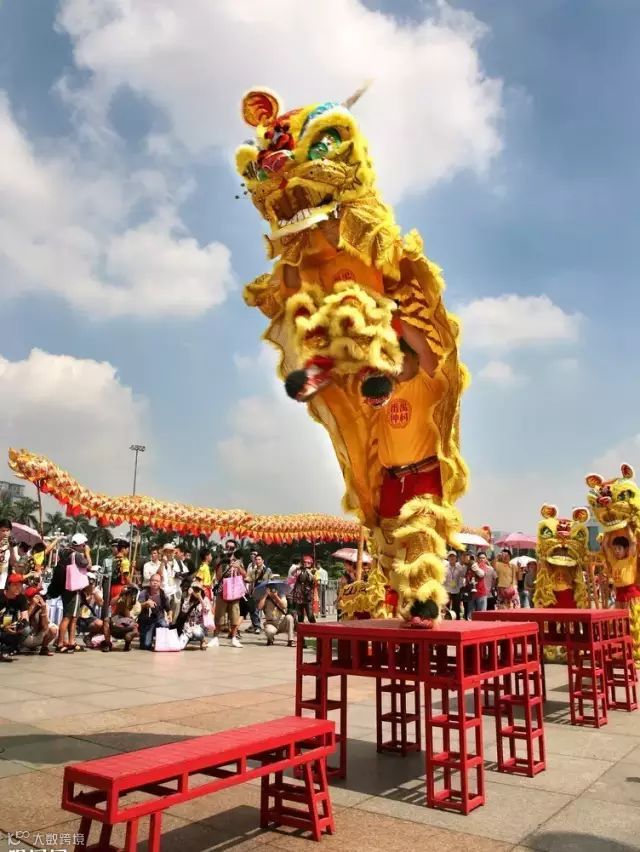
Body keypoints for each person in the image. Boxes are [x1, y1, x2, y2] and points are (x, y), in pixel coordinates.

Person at [48, 533, 92, 653]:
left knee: (73, 617)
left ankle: (71, 641)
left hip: (65, 588)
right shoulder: (76, 555)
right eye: (84, 545)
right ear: (80, 545)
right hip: (73, 589)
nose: (84, 547)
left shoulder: (65, 552)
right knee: (68, 617)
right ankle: (60, 643)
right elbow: (88, 565)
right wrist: (87, 553)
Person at [211, 554, 247, 648]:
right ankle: (215, 638)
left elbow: (245, 575)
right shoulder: (221, 563)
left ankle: (234, 638)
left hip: (235, 593)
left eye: (231, 548)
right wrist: (225, 567)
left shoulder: (238, 563)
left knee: (235, 616)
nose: (230, 549)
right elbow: (218, 577)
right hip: (222, 593)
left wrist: (238, 567)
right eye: (228, 547)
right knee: (219, 616)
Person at [0, 573, 31, 660]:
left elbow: (25, 618)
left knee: (26, 629)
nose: (18, 588)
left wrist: (19, 627)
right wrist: (3, 627)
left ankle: (8, 649)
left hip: (11, 626)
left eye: (20, 585)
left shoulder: (21, 598)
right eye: (15, 585)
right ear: (8, 585)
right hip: (2, 626)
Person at [138, 573, 171, 651]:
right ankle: (148, 636)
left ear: (160, 583)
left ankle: (160, 642)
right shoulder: (144, 593)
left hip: (159, 619)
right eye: (153, 580)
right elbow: (137, 606)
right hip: (147, 622)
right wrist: (146, 604)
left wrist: (169, 616)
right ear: (150, 582)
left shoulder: (163, 594)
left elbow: (169, 609)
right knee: (146, 646)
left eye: (157, 581)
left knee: (165, 625)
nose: (155, 582)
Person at [103, 585, 139, 651]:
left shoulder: (137, 605)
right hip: (117, 623)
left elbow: (129, 619)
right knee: (106, 620)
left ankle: (127, 645)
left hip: (128, 626)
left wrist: (126, 605)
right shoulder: (120, 599)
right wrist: (120, 594)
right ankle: (107, 644)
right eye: (129, 590)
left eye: (132, 592)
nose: (130, 593)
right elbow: (111, 603)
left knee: (133, 629)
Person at [259, 581, 295, 646]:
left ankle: (290, 640)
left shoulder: (281, 595)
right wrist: (265, 595)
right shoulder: (265, 598)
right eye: (270, 590)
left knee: (289, 618)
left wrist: (276, 597)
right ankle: (270, 638)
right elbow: (259, 607)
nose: (272, 591)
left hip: (282, 622)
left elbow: (284, 606)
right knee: (269, 632)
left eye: (273, 589)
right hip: (271, 623)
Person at [177, 581, 210, 650]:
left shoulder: (204, 599)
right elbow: (184, 610)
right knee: (179, 646)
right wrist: (189, 596)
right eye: (194, 589)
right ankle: (188, 639)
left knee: (197, 633)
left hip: (199, 627)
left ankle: (202, 640)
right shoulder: (188, 600)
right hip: (187, 628)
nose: (196, 591)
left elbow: (206, 610)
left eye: (198, 589)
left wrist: (200, 598)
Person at [246, 553, 271, 634]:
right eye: (256, 559)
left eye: (259, 559)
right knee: (255, 610)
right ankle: (257, 626)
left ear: (262, 561)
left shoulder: (268, 570)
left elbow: (271, 581)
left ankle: (269, 626)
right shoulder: (253, 571)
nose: (257, 561)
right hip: (256, 592)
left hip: (265, 592)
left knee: (267, 610)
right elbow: (250, 579)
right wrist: (246, 579)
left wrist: (268, 592)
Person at [292, 556, 316, 625]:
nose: (306, 564)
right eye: (305, 562)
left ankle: (315, 627)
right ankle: (301, 629)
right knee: (300, 615)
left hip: (307, 595)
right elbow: (292, 575)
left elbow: (315, 581)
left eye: (308, 563)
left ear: (311, 564)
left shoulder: (313, 571)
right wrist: (297, 570)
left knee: (310, 614)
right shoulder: (299, 570)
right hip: (299, 595)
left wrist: (310, 573)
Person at [444, 551, 465, 620]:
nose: (452, 558)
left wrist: (460, 586)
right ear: (448, 558)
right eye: (450, 556)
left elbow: (463, 576)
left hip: (456, 590)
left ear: (456, 558)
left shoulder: (460, 567)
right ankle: (446, 621)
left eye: (453, 556)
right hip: (447, 590)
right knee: (446, 607)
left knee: (456, 608)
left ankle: (457, 621)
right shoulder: (445, 567)